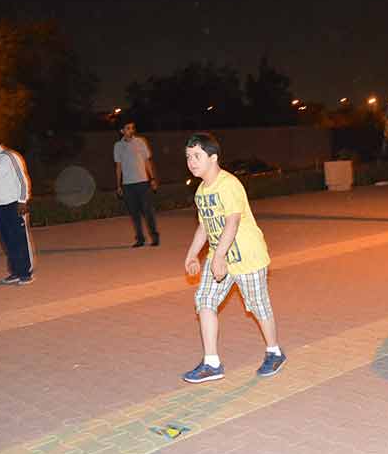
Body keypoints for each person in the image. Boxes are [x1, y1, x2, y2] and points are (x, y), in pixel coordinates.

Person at [182, 132, 285, 383]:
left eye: (197, 156)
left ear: (213, 158)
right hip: (220, 256)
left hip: (247, 257)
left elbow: (232, 222)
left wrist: (219, 256)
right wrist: (192, 254)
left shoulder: (228, 185)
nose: (191, 162)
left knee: (258, 306)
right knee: (205, 301)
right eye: (188, 157)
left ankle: (274, 352)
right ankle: (211, 363)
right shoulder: (201, 192)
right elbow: (204, 226)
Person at [0, 132, 34, 285]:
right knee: (7, 240)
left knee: (19, 239)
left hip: (13, 204)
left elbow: (22, 178)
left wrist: (23, 200)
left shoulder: (9, 156)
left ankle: (25, 272)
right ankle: (15, 271)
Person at [114, 120, 159, 247]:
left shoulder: (140, 142)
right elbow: (118, 166)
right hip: (128, 185)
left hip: (142, 182)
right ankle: (140, 239)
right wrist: (118, 185)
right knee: (134, 213)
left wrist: (152, 179)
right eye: (128, 128)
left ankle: (154, 236)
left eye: (132, 128)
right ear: (122, 131)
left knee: (147, 211)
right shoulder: (118, 146)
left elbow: (147, 162)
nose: (131, 130)